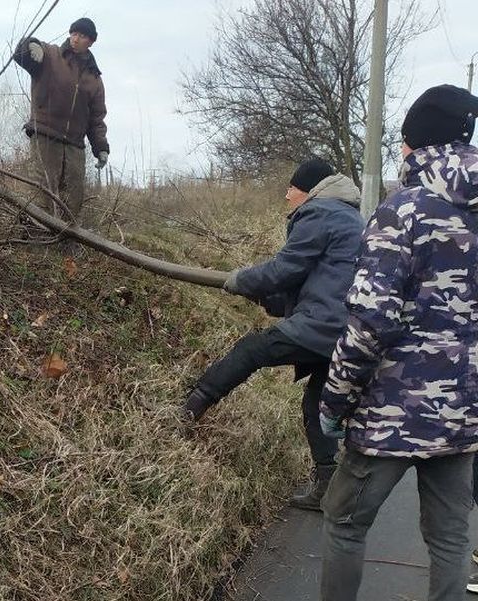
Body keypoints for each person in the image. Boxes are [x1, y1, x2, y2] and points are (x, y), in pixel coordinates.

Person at [318, 84, 478, 601]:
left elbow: (369, 323)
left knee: (343, 521)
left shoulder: (402, 211)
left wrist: (335, 402)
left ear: (411, 144)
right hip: (463, 414)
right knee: (451, 539)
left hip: (389, 409)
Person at [183, 158, 364, 510]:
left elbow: (284, 269)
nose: (286, 195)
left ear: (309, 191)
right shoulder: (348, 217)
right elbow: (313, 284)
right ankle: (327, 487)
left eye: (292, 188)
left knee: (252, 350)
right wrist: (264, 295)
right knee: (317, 403)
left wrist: (240, 279)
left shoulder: (321, 213)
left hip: (326, 326)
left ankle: (188, 409)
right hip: (346, 330)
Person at [12, 17, 109, 225]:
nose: (76, 39)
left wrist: (101, 147)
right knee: (42, 191)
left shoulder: (95, 78)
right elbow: (22, 54)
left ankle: (64, 242)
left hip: (75, 144)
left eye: (82, 36)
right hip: (45, 134)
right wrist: (30, 46)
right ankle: (33, 238)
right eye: (73, 33)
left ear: (91, 41)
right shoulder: (51, 55)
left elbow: (96, 118)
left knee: (73, 197)